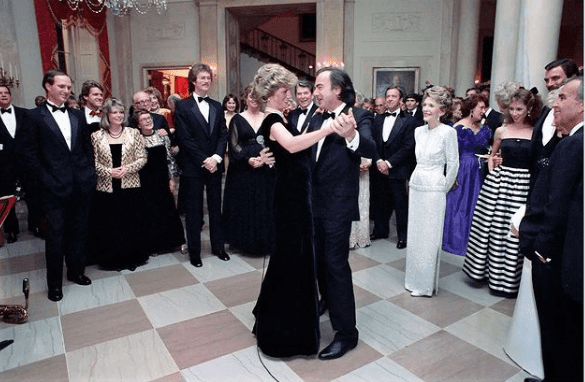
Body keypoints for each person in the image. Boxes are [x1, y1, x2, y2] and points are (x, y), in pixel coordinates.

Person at [250, 63, 336, 358]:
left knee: (291, 261)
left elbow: (286, 154)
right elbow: (293, 145)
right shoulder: (272, 120)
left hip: (297, 198)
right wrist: (325, 130)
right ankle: (283, 332)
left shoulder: (279, 117)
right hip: (289, 203)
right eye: (285, 90)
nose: (290, 95)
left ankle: (276, 317)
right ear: (272, 93)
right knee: (291, 261)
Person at [519, 76, 583, 382]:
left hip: (557, 261)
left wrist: (542, 251)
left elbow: (558, 207)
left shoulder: (573, 145)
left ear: (582, 105)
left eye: (563, 98)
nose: (554, 103)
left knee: (558, 334)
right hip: (569, 258)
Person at [310, 66, 376, 360]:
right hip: (312, 203)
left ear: (337, 89)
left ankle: (347, 333)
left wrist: (351, 135)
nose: (315, 92)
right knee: (319, 260)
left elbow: (372, 148)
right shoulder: (314, 116)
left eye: (320, 86)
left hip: (337, 205)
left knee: (335, 265)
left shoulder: (359, 116)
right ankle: (325, 300)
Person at [19, 70, 96, 302]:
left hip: (80, 185)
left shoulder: (78, 115)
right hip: (53, 188)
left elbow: (86, 149)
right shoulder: (33, 117)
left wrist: (88, 173)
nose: (66, 91)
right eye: (61, 86)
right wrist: (45, 180)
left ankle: (76, 272)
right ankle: (54, 284)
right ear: (48, 86)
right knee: (55, 237)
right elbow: (29, 156)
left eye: (68, 87)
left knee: (78, 232)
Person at [463, 88, 543, 296]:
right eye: (512, 109)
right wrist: (493, 171)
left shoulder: (536, 131)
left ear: (529, 109)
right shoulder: (501, 130)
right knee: (491, 230)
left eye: (520, 109)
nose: (515, 113)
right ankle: (483, 273)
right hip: (499, 183)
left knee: (513, 232)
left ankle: (508, 282)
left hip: (524, 184)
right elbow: (492, 154)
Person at [174, 63, 230, 268]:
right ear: (194, 81)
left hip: (214, 165)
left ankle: (218, 248)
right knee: (194, 211)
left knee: (216, 208)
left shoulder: (216, 105)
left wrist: (215, 158)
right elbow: (184, 138)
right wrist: (203, 160)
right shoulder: (182, 106)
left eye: (209, 78)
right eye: (203, 78)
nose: (207, 81)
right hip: (193, 166)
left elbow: (222, 134)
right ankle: (195, 253)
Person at [404, 86, 459, 297]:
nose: (425, 108)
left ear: (442, 110)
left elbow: (453, 166)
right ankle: (413, 279)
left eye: (431, 105)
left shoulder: (449, 132)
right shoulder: (418, 131)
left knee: (429, 237)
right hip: (417, 185)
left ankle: (425, 284)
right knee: (416, 234)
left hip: (435, 188)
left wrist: (441, 189)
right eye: (424, 104)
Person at [88, 98, 148, 271]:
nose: (119, 115)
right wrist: (109, 172)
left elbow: (142, 158)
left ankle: (131, 258)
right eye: (114, 112)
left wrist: (127, 169)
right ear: (106, 114)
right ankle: (113, 260)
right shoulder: (96, 136)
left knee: (129, 222)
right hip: (106, 187)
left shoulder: (133, 133)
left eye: (121, 112)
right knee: (110, 224)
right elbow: (93, 163)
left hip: (130, 185)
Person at [222, 84, 275, 256]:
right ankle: (244, 242)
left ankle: (264, 241)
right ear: (245, 98)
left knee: (263, 203)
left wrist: (264, 158)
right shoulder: (238, 119)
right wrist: (248, 159)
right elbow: (234, 144)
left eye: (257, 96)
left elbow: (272, 141)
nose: (253, 99)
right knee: (245, 204)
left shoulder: (268, 117)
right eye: (250, 96)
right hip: (242, 169)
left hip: (265, 167)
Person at [442, 95, 491, 256]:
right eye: (481, 108)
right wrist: (452, 176)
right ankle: (456, 240)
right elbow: (450, 155)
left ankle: (473, 243)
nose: (484, 111)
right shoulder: (457, 127)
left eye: (484, 108)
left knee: (475, 205)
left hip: (478, 171)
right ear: (471, 109)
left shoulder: (483, 127)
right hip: (462, 170)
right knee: (458, 205)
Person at [370, 86, 417, 248]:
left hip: (397, 168)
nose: (389, 99)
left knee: (400, 205)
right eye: (388, 96)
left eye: (393, 96)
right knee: (379, 201)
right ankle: (380, 230)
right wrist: (378, 161)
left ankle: (403, 236)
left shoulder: (409, 121)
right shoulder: (377, 119)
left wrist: (388, 163)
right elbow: (373, 144)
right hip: (378, 168)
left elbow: (408, 146)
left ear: (400, 100)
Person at [135, 109, 186, 255]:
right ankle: (155, 246)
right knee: (150, 212)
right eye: (144, 119)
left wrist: (172, 179)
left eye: (149, 118)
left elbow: (170, 159)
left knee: (169, 210)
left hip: (163, 179)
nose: (148, 121)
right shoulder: (136, 139)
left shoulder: (162, 136)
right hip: (146, 181)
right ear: (138, 125)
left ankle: (177, 242)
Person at [529, 58, 579, 189]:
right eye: (546, 80)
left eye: (555, 78)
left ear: (572, 78)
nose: (550, 84)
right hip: (535, 186)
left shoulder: (577, 115)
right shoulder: (544, 110)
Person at [0, 85, 27, 243]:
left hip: (26, 162)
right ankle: (11, 230)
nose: (3, 95)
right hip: (4, 165)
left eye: (6, 93)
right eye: (0, 93)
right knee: (7, 197)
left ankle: (38, 226)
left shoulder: (25, 113)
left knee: (34, 195)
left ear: (11, 96)